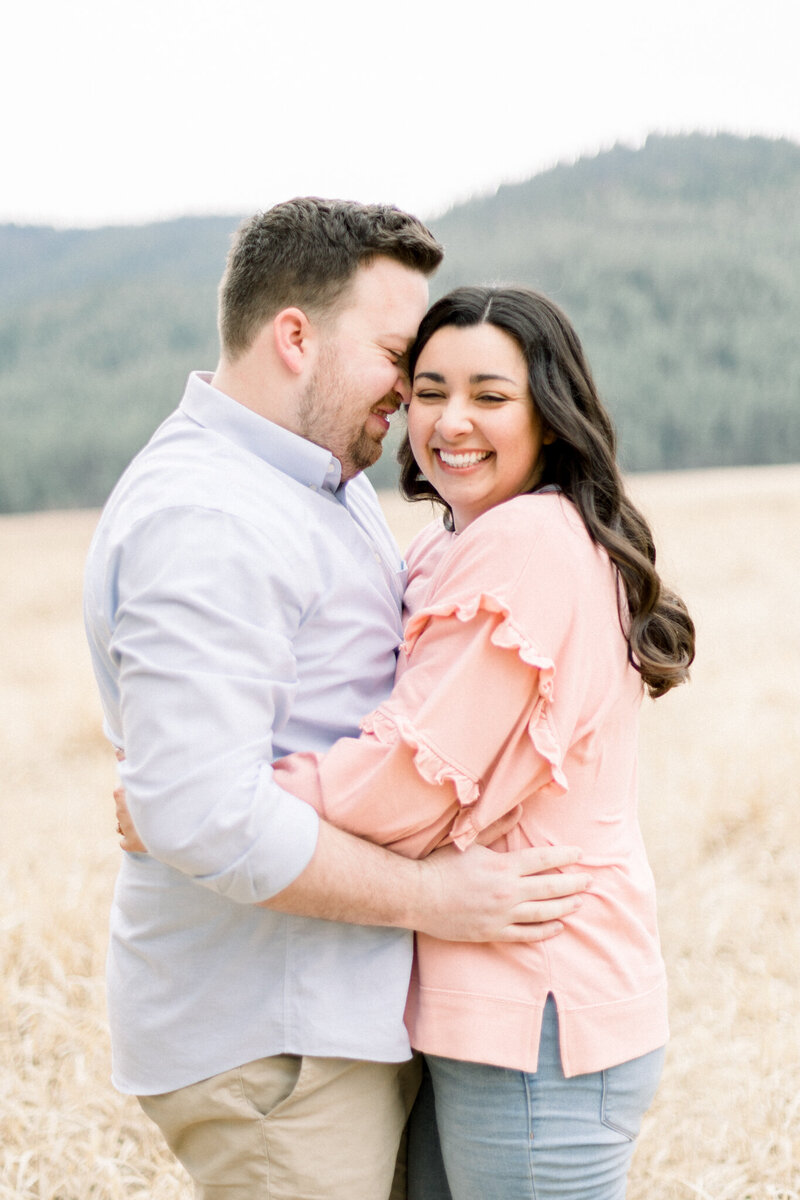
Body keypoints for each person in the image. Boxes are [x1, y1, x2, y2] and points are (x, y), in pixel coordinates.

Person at [84, 201, 588, 1200]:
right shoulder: (207, 514)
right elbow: (202, 813)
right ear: (294, 337)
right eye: (397, 355)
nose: (412, 394)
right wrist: (436, 899)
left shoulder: (316, 481)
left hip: (324, 1020)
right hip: (272, 1038)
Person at [262, 285, 697, 1198]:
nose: (451, 421)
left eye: (490, 396)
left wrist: (228, 800)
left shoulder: (530, 542)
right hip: (491, 1009)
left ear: (551, 411)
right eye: (429, 390)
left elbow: (407, 784)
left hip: (539, 1012)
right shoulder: (459, 542)